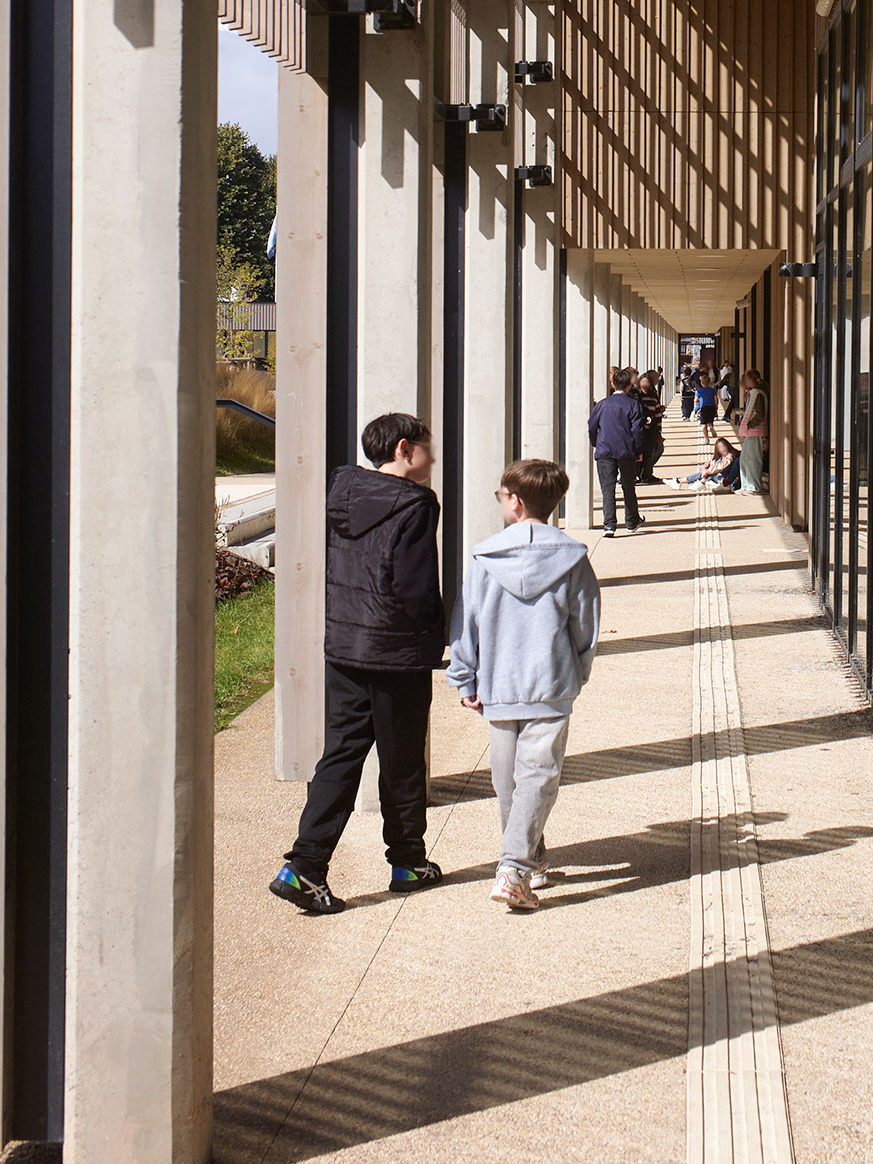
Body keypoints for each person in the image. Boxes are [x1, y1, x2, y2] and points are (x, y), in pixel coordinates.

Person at [270, 411, 445, 916]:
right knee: (403, 759)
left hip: (345, 644)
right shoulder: (416, 503)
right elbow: (414, 586)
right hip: (395, 649)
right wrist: (435, 635)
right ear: (404, 450)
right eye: (426, 449)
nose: (432, 459)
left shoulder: (343, 491)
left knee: (341, 754)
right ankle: (408, 862)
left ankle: (304, 866)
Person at [447, 457, 601, 913]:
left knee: (508, 780)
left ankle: (518, 864)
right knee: (536, 776)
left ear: (514, 502)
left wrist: (464, 676)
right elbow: (585, 627)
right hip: (550, 681)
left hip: (497, 683)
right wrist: (577, 673)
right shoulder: (572, 558)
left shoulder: (484, 557)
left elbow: (466, 623)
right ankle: (519, 864)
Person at [589, 366, 646, 538]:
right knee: (628, 487)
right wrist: (637, 450)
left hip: (605, 450)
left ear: (613, 385)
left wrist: (596, 443)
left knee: (608, 488)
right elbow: (637, 431)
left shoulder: (601, 405)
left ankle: (609, 525)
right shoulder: (634, 404)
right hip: (626, 451)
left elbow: (592, 426)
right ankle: (631, 521)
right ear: (629, 385)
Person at [664, 434, 739, 492]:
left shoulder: (731, 455)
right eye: (720, 448)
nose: (723, 449)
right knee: (713, 468)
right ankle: (681, 481)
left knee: (714, 470)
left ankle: (683, 481)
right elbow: (708, 463)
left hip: (725, 478)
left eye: (724, 446)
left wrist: (707, 471)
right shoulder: (719, 457)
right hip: (718, 477)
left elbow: (721, 466)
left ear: (728, 446)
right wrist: (704, 470)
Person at [737, 368, 769, 493]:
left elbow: (759, 414)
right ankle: (745, 485)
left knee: (753, 459)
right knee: (745, 458)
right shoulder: (753, 393)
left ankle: (753, 486)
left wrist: (749, 425)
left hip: (755, 431)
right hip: (750, 431)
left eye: (746, 379)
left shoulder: (757, 393)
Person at [636, 373, 666, 482]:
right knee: (641, 453)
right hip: (640, 429)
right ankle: (640, 474)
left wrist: (658, 428)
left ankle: (646, 474)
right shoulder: (636, 396)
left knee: (651, 451)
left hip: (651, 429)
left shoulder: (653, 395)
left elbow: (657, 411)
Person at [694, 368, 720, 439]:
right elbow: (716, 399)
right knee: (710, 420)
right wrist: (716, 406)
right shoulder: (712, 390)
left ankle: (706, 438)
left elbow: (695, 400)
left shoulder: (699, 391)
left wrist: (699, 400)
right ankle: (711, 427)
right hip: (711, 407)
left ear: (701, 383)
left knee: (704, 424)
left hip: (704, 408)